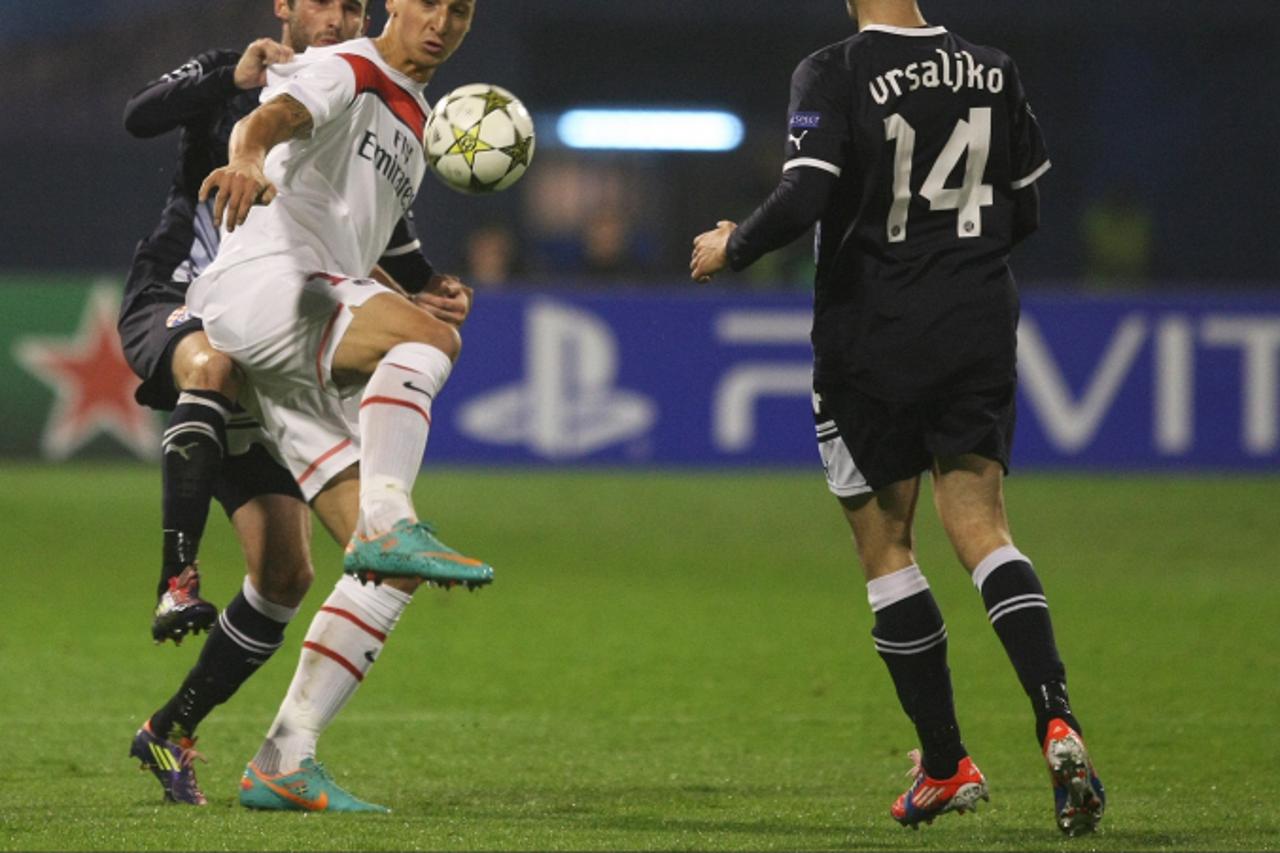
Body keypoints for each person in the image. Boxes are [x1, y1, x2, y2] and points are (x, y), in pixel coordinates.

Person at [690, 0, 1105, 837]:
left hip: (870, 336)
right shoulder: (994, 68)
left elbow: (807, 190)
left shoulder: (834, 68)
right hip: (979, 325)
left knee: (887, 546)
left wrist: (732, 244)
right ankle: (1057, 717)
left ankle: (948, 763)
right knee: (985, 530)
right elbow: (1025, 212)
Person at [119, 0, 472, 809]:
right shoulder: (343, 65)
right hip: (250, 298)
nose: (445, 21)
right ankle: (180, 573)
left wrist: (426, 287)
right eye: (433, 3)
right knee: (422, 347)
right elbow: (264, 124)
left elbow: (360, 239)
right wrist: (242, 153)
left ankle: (281, 754)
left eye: (463, 10)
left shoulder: (410, 120)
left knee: (354, 573)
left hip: (300, 318)